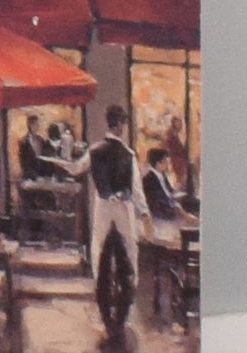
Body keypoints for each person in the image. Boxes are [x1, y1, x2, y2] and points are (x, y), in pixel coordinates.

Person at [58, 104, 151, 279]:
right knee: (130, 244)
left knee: (99, 244)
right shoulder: (128, 154)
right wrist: (144, 212)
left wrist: (62, 161)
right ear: (118, 126)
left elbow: (76, 169)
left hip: (103, 203)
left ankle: (99, 282)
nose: (123, 128)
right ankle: (132, 282)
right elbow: (136, 188)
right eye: (122, 124)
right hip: (124, 204)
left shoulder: (94, 151)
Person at [143, 147, 198, 226]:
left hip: (170, 203)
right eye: (166, 161)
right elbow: (155, 202)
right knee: (183, 210)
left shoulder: (162, 175)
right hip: (162, 210)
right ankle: (191, 221)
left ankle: (192, 219)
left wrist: (176, 193)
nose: (168, 164)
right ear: (158, 163)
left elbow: (169, 191)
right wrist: (175, 205)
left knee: (192, 202)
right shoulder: (149, 179)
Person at [18, 114, 51, 180]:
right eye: (36, 124)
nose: (38, 126)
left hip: (42, 175)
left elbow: (45, 158)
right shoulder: (24, 142)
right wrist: (34, 176)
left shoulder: (40, 140)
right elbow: (24, 164)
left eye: (38, 124)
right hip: (30, 177)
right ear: (30, 125)